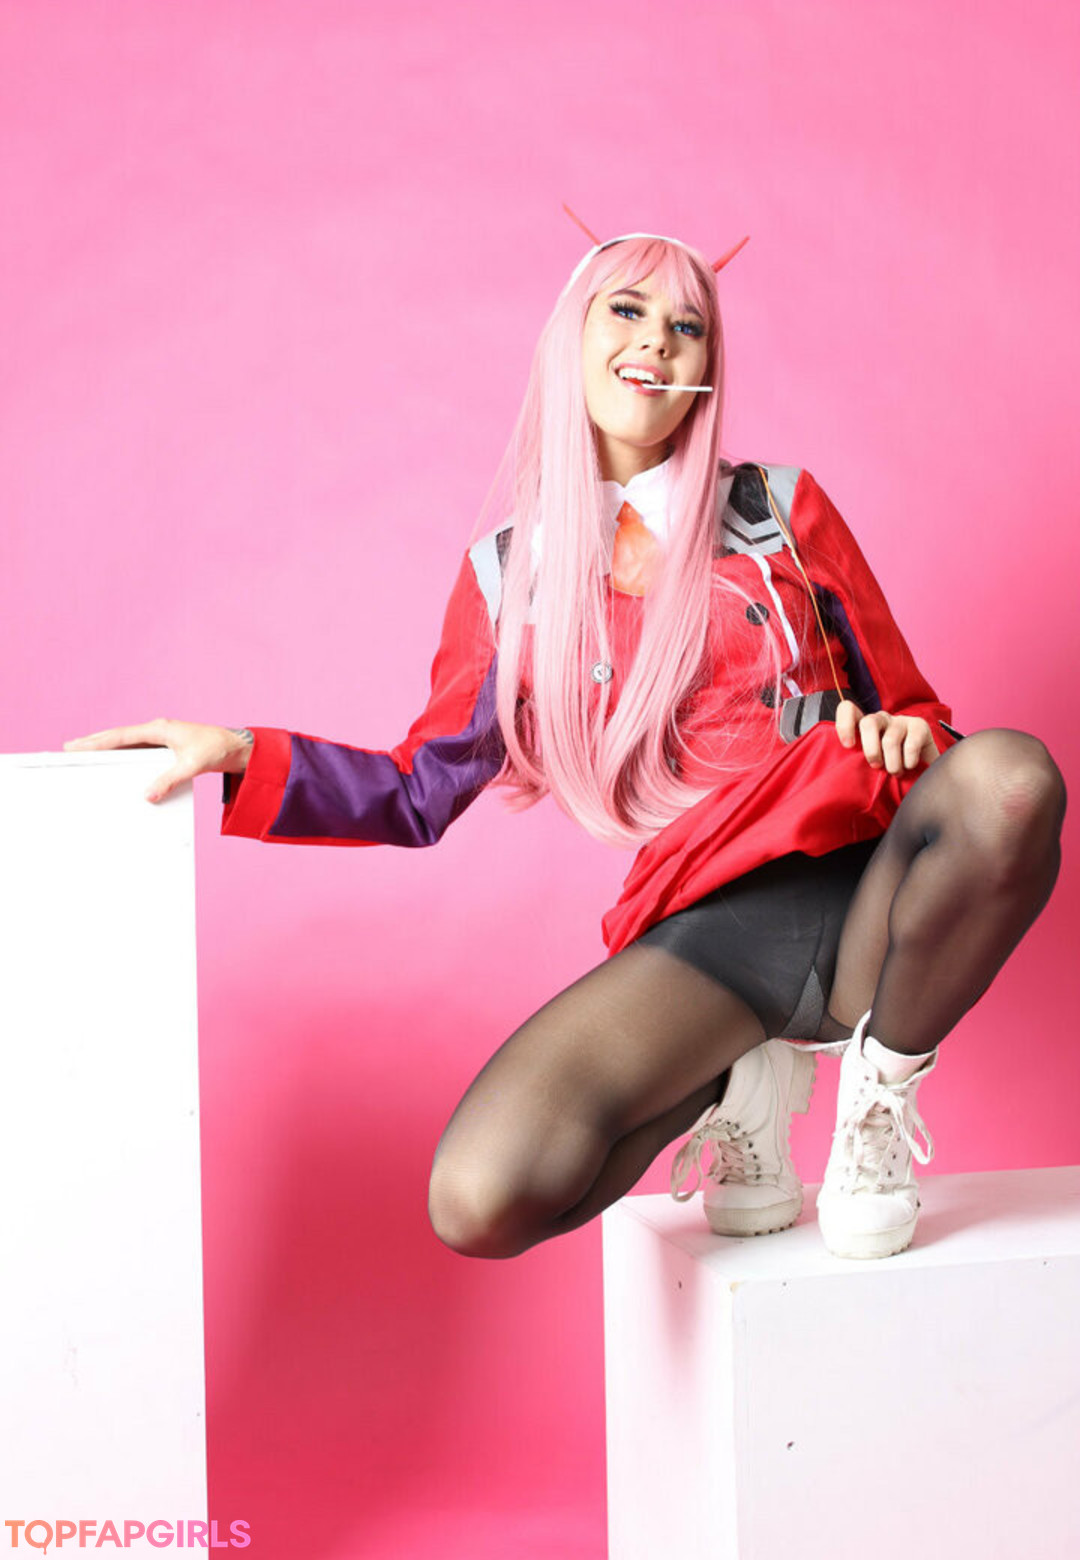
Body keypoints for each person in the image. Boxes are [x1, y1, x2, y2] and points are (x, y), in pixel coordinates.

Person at [65, 230, 1066, 1264]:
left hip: (876, 897)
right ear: (571, 338)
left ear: (707, 367)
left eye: (686, 326)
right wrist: (240, 750)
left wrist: (905, 736)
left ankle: (879, 1096)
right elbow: (417, 790)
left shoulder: (779, 509)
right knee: (482, 1193)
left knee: (1009, 780)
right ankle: (741, 1084)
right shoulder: (512, 578)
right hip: (713, 930)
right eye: (627, 312)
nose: (657, 342)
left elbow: (919, 716)